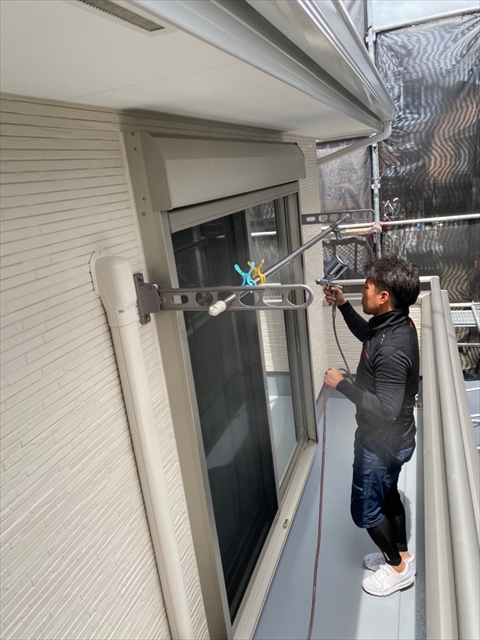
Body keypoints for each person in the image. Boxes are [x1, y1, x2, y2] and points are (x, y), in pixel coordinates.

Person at [323, 256, 420, 597]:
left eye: (366, 287)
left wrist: (342, 385)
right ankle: (403, 556)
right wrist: (343, 305)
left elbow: (388, 409)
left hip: (381, 444)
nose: (362, 291)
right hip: (396, 441)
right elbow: (366, 333)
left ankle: (397, 569)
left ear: (383, 296)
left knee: (365, 510)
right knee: (388, 494)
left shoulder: (392, 348)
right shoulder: (394, 322)